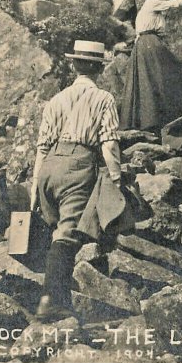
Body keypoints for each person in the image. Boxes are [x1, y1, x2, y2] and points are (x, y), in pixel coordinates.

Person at [30, 40, 122, 321]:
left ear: (74, 65)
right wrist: (116, 179)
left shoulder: (56, 100)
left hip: (49, 165)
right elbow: (108, 144)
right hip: (78, 165)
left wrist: (35, 187)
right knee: (67, 234)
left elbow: (42, 147)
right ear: (99, 68)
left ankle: (51, 291)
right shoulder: (104, 99)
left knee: (54, 227)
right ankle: (51, 300)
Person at [120, 0, 182, 134]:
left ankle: (149, 120)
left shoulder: (144, 7)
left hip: (141, 46)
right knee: (177, 70)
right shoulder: (152, 3)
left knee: (148, 80)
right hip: (150, 43)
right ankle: (176, 114)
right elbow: (177, 3)